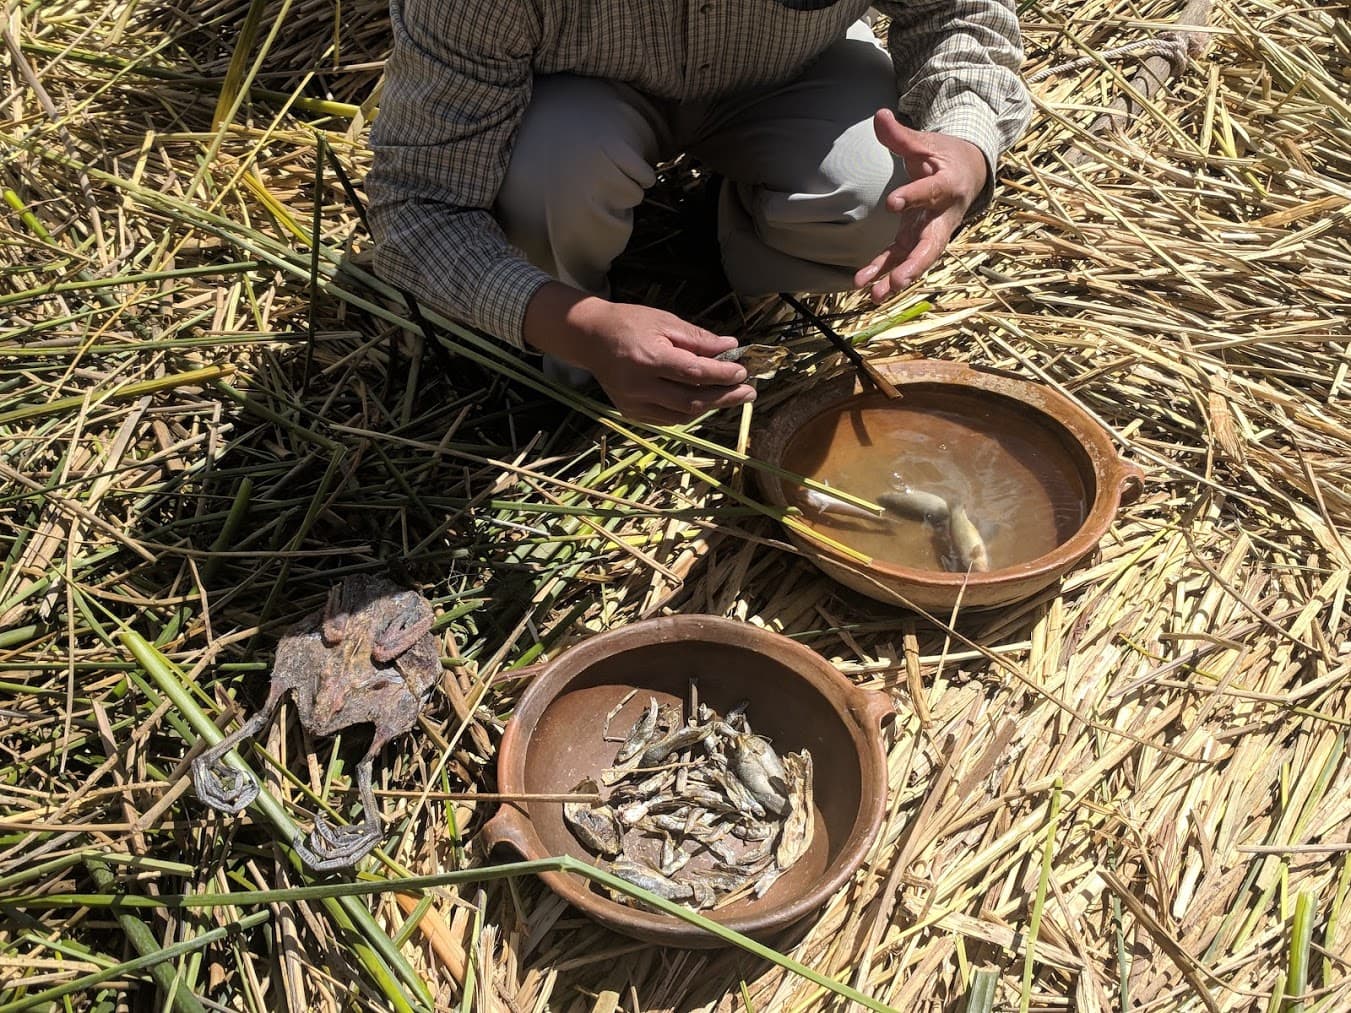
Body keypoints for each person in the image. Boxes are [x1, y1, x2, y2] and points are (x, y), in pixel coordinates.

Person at [367, 1, 1030, 425]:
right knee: (552, 171)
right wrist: (579, 327)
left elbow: (961, 12)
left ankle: (722, 238)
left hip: (791, 70)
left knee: (881, 196)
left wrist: (965, 144)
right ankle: (574, 374)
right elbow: (417, 205)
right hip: (578, 98)